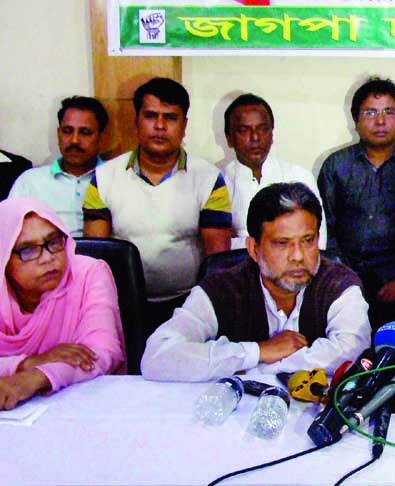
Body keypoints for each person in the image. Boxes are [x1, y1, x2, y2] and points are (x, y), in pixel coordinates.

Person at [141, 183, 370, 381]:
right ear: (254, 248)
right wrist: (257, 352)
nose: (298, 256)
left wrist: (255, 367)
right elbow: (157, 357)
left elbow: (352, 350)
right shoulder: (221, 289)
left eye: (308, 241)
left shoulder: (340, 284)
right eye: (282, 243)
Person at [82, 77, 232, 333]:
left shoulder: (208, 178)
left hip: (187, 305)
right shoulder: (105, 177)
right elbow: (97, 260)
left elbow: (216, 262)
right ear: (136, 122)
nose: (160, 126)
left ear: (184, 126)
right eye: (151, 116)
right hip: (120, 304)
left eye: (170, 118)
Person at [318, 76, 395, 328]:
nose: (380, 121)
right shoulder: (336, 165)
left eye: (389, 112)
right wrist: (343, 277)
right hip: (345, 277)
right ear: (355, 121)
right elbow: (325, 228)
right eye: (370, 112)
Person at [0, 198, 125, 409]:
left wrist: (35, 377)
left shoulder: (89, 274)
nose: (48, 258)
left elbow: (102, 353)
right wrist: (28, 362)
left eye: (54, 242)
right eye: (28, 250)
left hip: (85, 404)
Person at [221, 93, 327, 249]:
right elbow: (217, 247)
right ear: (229, 138)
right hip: (237, 270)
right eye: (244, 130)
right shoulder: (217, 182)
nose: (255, 137)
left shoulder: (299, 176)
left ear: (272, 134)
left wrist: (240, 240)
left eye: (263, 129)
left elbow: (318, 242)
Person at [10, 96, 108, 237]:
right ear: (58, 134)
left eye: (85, 132)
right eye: (67, 131)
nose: (74, 140)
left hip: (101, 257)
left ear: (101, 138)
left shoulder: (115, 178)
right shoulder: (30, 182)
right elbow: (8, 234)